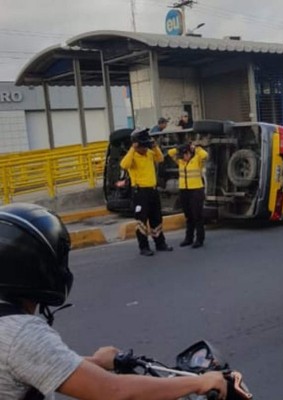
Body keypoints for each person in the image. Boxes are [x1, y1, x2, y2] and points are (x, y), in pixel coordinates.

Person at [0, 203, 227, 400]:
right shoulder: (21, 333)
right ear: (32, 267)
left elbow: (35, 362)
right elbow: (113, 391)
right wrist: (198, 383)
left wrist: (96, 362)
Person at [120, 128, 173, 256]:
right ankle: (144, 247)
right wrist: (133, 149)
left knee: (156, 218)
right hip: (140, 192)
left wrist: (154, 147)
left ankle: (160, 243)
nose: (144, 149)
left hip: (152, 191)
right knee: (141, 221)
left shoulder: (149, 153)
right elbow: (124, 165)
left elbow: (160, 158)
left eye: (146, 146)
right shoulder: (132, 156)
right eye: (142, 147)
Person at [168, 143, 208, 248]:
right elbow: (170, 153)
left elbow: (205, 155)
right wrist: (179, 148)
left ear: (189, 153)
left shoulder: (197, 160)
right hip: (184, 190)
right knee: (188, 216)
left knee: (197, 216)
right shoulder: (180, 161)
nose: (183, 157)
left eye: (185, 154)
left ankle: (199, 239)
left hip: (196, 190)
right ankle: (188, 238)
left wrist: (197, 148)